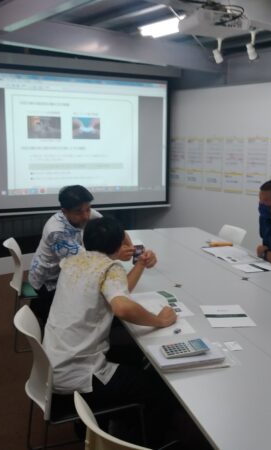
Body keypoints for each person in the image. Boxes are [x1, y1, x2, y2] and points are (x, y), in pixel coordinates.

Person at [43, 216, 176, 446]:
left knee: (135, 357)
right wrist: (160, 321)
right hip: (80, 376)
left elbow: (118, 291)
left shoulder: (75, 259)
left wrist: (139, 264)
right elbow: (122, 307)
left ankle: (115, 420)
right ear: (118, 244)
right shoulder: (110, 268)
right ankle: (143, 441)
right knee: (160, 389)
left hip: (53, 366)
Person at [28, 185, 153, 328]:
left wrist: (130, 247)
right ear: (64, 211)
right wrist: (117, 255)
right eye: (79, 211)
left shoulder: (84, 211)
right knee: (100, 300)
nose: (86, 216)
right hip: (48, 282)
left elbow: (114, 229)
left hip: (66, 271)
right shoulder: (57, 233)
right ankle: (42, 308)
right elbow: (88, 264)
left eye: (88, 209)